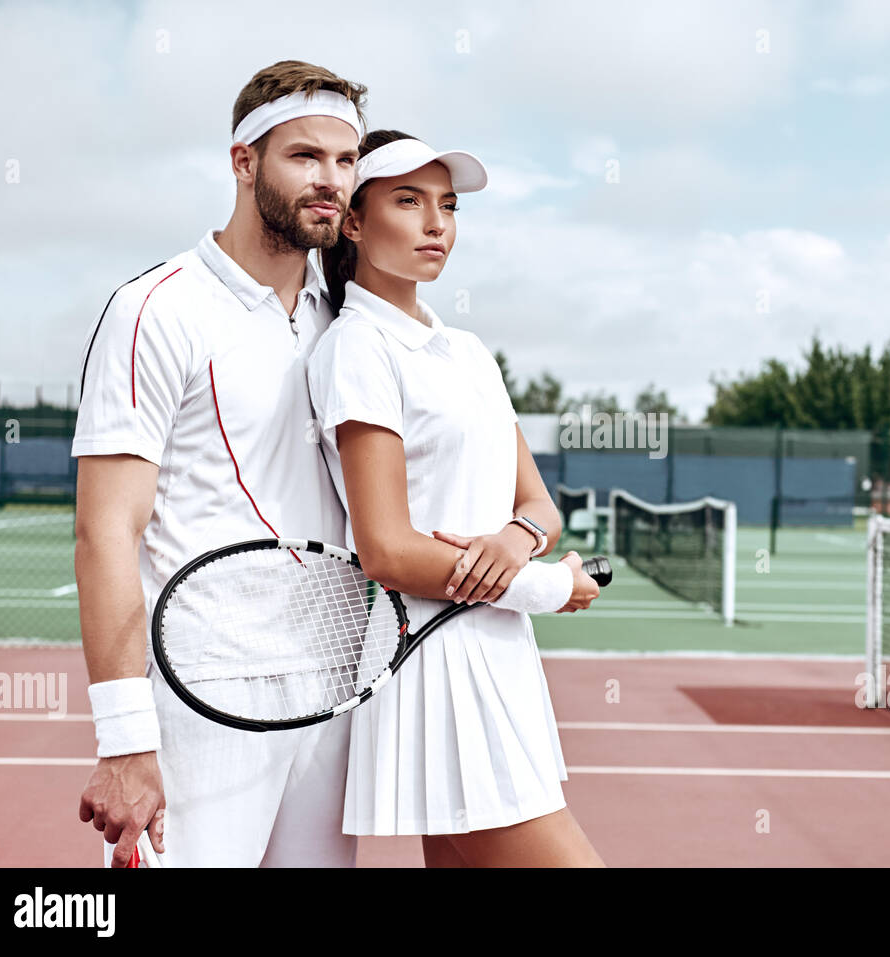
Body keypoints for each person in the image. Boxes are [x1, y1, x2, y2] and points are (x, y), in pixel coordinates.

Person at [73, 60, 367, 867]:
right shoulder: (155, 308)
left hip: (330, 688)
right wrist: (127, 742)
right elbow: (105, 531)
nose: (331, 182)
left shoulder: (351, 314)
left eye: (346, 162)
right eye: (306, 157)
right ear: (243, 162)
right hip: (201, 695)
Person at [310, 130, 605, 866]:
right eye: (408, 201)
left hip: (501, 657)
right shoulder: (356, 348)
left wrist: (515, 540)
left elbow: (538, 505)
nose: (437, 223)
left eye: (447, 205)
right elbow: (386, 547)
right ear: (354, 221)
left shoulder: (469, 352)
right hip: (434, 665)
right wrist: (551, 585)